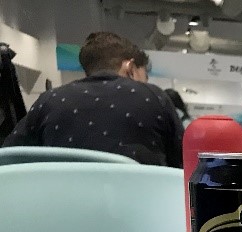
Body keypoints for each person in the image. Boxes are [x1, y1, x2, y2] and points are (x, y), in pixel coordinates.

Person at [3, 32, 183, 167]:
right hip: (140, 203)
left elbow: (9, 157)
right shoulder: (153, 97)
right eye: (144, 76)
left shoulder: (49, 100)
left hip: (63, 203)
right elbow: (185, 163)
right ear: (130, 68)